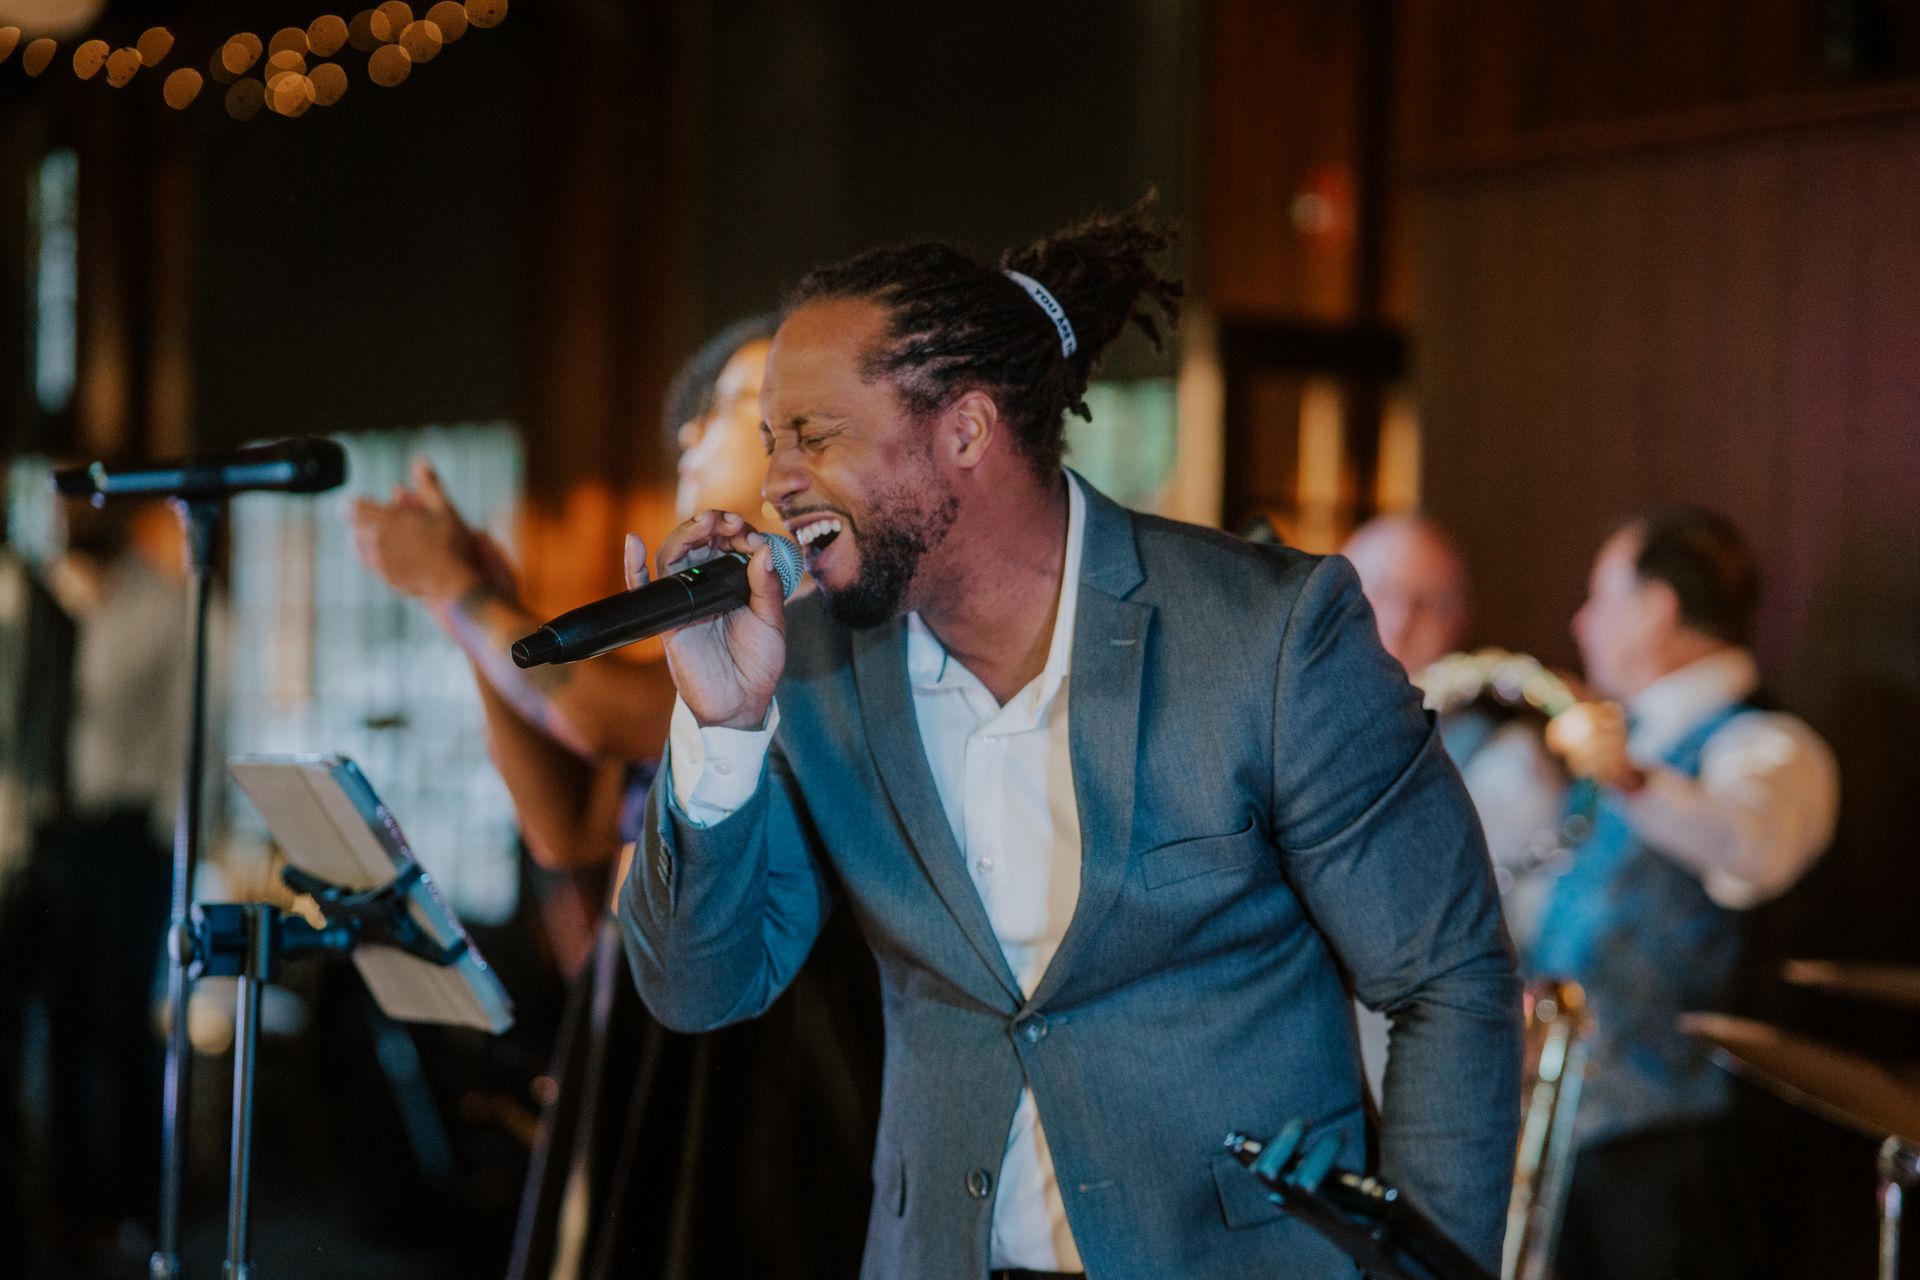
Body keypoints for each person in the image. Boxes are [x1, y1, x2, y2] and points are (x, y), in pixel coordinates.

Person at [619, 200, 1521, 1279]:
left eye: (815, 434)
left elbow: (1446, 981)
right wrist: (719, 728)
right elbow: (701, 986)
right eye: (773, 443)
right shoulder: (813, 669)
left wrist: (1424, 1269)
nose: (775, 483)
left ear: (964, 428)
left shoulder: (1267, 635)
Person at [350, 315, 882, 1280]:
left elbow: (592, 712)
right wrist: (459, 602)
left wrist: (454, 583)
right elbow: (568, 829)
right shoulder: (705, 623)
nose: (690, 433)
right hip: (638, 1015)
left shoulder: (809, 640)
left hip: (756, 1052)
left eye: (732, 411)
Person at [1533, 507, 1838, 1280]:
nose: (1581, 621)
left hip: (1683, 1150)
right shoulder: (1626, 741)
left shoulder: (1768, 745)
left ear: (1657, 609)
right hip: (1574, 1130)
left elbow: (1750, 845)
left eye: (1600, 598)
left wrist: (1632, 779)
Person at [1342, 515, 1566, 947]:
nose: (1400, 621)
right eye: (1381, 593)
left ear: (1458, 619)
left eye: (1425, 602)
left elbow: (1517, 927)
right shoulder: (1279, 729)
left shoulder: (1507, 763)